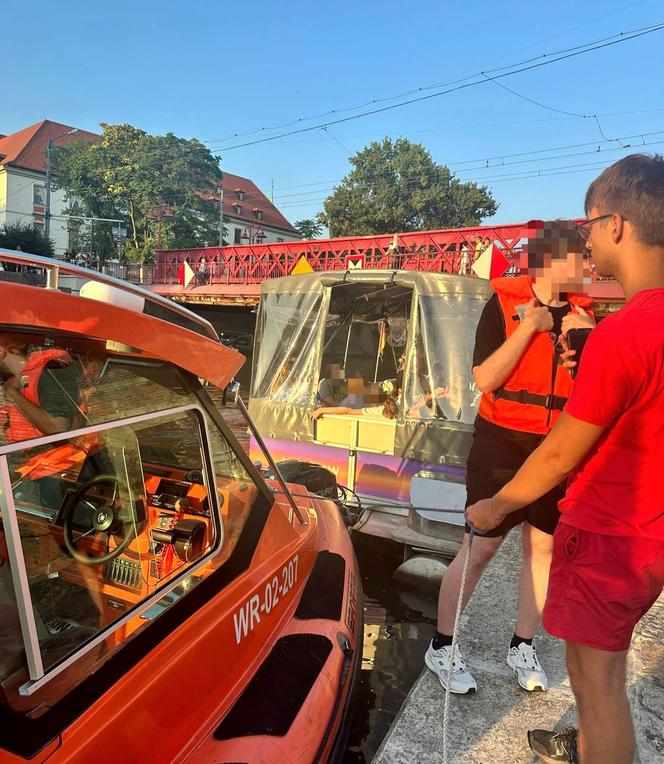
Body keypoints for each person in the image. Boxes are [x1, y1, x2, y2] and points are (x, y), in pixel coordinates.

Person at [467, 154, 664, 764]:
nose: (585, 246)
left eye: (587, 228)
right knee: (603, 676)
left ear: (616, 226)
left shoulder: (622, 332)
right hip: (651, 534)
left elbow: (559, 454)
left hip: (610, 536)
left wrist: (496, 504)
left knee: (598, 685)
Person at [424, 219, 595, 695]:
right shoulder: (501, 305)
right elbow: (484, 379)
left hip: (557, 444)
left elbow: (592, 390)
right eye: (582, 258)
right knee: (481, 546)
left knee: (542, 549)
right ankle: (441, 646)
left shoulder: (586, 315)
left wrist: (585, 347)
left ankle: (522, 644)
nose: (590, 266)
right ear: (553, 261)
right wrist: (530, 329)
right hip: (502, 440)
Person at [0, 338, 79, 441]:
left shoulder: (50, 370)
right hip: (28, 453)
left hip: (55, 454)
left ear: (1, 351)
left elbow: (58, 430)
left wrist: (13, 393)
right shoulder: (14, 378)